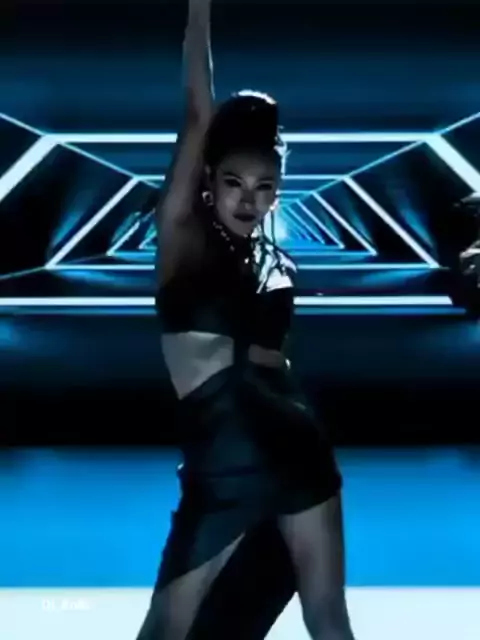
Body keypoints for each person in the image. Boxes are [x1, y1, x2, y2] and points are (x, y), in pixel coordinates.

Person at [135, 0, 357, 638]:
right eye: (235, 182)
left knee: (326, 617)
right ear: (208, 178)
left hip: (292, 453)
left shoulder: (272, 263)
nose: (248, 200)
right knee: (166, 631)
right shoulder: (183, 239)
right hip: (221, 470)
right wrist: (200, 10)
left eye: (264, 187)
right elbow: (198, 112)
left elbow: (270, 363)